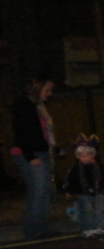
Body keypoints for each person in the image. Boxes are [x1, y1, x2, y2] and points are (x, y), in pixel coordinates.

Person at [10, 75, 59, 240]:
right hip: (29, 152)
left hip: (39, 150)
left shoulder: (37, 106)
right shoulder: (24, 104)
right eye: (47, 90)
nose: (49, 94)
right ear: (38, 89)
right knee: (38, 191)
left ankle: (41, 227)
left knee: (43, 191)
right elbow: (22, 131)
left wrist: (54, 148)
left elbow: (41, 133)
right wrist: (30, 155)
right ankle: (33, 230)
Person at [63, 134, 104, 236]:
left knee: (99, 209)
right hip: (82, 193)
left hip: (97, 191)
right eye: (82, 156)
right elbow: (71, 180)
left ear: (92, 155)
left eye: (87, 155)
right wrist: (68, 190)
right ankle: (87, 228)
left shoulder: (98, 166)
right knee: (86, 211)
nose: (84, 158)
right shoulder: (76, 168)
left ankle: (99, 225)